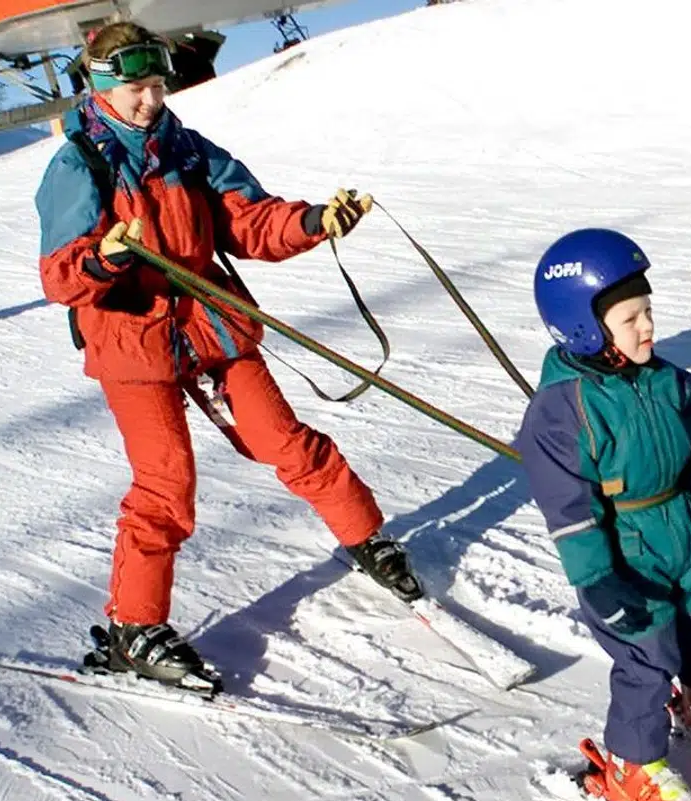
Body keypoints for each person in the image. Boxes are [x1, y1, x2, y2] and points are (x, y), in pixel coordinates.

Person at [35, 21, 423, 691]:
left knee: (287, 439)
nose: (150, 101)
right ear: (101, 87)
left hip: (211, 324)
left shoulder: (185, 148)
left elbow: (248, 219)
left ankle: (368, 538)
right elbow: (60, 275)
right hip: (135, 340)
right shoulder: (80, 164)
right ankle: (135, 628)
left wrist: (312, 221)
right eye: (136, 90)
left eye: (156, 86)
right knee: (165, 483)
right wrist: (106, 257)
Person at [516, 229, 691, 801]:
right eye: (631, 318)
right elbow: (567, 508)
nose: (648, 327)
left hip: (678, 530)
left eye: (648, 312)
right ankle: (631, 764)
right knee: (645, 656)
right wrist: (595, 575)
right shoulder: (560, 411)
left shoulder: (673, 383)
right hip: (623, 549)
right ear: (584, 328)